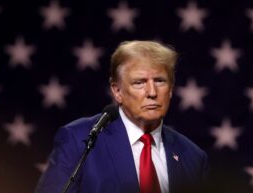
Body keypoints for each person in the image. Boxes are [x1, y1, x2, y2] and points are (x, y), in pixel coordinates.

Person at [35, 40, 208, 193]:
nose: (152, 92)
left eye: (160, 81)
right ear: (117, 91)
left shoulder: (192, 156)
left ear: (170, 89)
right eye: (139, 82)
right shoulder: (80, 141)